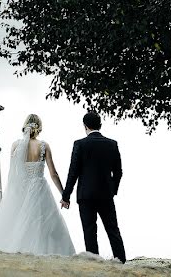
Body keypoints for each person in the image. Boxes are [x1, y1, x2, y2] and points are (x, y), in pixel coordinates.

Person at [0, 114, 75, 255]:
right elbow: (53, 174)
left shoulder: (15, 145)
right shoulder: (44, 146)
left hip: (21, 189)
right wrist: (64, 195)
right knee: (43, 224)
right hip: (40, 188)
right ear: (39, 127)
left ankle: (22, 252)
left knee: (20, 223)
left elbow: (13, 173)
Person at [61, 111, 126, 263]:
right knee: (112, 229)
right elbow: (118, 172)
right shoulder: (112, 144)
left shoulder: (80, 144)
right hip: (106, 195)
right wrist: (113, 190)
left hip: (86, 195)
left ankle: (94, 264)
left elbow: (73, 172)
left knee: (90, 231)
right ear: (100, 125)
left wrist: (66, 196)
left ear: (85, 126)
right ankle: (121, 261)